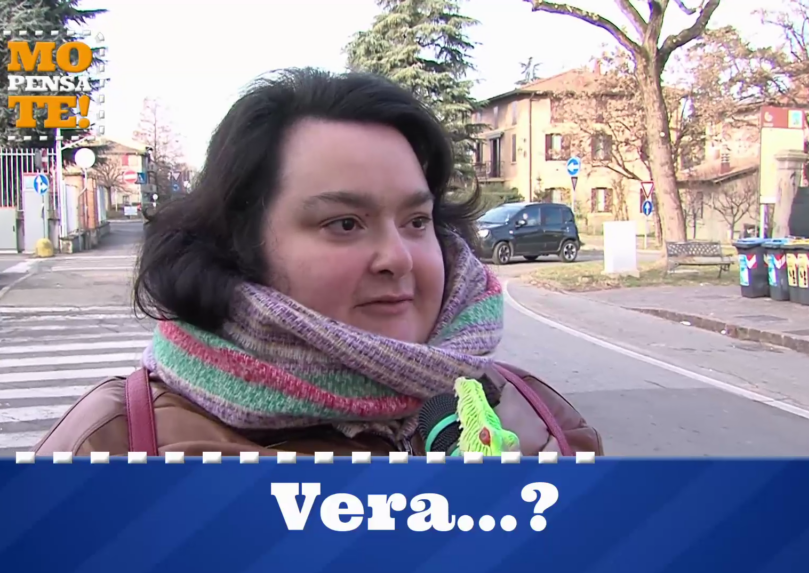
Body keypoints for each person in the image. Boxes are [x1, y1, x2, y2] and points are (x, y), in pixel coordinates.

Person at [34, 68, 603, 457]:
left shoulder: (538, 421)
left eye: (416, 221)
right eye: (345, 224)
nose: (398, 258)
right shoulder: (113, 447)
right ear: (241, 244)